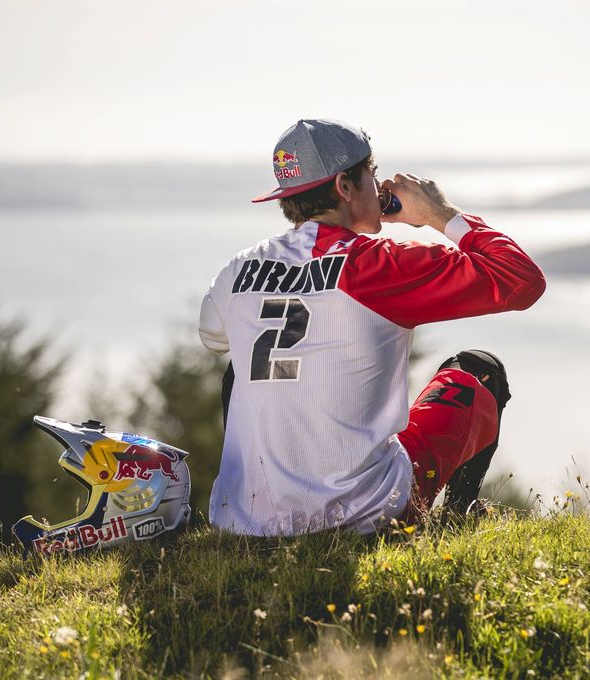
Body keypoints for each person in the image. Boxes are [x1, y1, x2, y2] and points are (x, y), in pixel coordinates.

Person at [198, 119, 545, 536]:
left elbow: (213, 336)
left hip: (245, 524)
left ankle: (258, 497)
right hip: (364, 514)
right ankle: (456, 519)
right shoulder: (380, 265)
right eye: (372, 176)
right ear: (345, 186)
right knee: (478, 369)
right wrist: (439, 214)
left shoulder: (239, 268)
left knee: (241, 367)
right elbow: (520, 280)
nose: (379, 187)